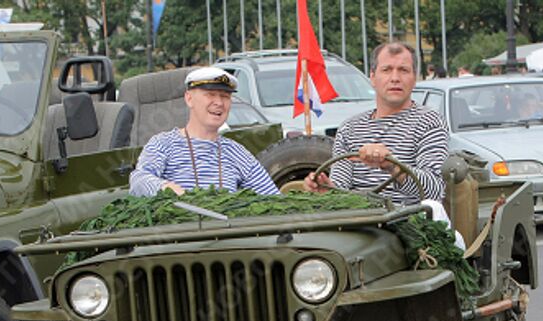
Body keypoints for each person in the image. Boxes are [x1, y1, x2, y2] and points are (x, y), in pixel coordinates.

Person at [303, 42, 448, 205]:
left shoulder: (429, 122)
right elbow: (340, 188)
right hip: (357, 221)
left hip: (410, 222)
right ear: (372, 77)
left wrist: (392, 166)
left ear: (414, 78)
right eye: (386, 70)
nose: (395, 78)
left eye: (403, 70)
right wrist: (326, 190)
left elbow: (435, 190)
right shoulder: (349, 129)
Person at [129, 67, 279, 197]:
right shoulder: (163, 144)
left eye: (225, 96)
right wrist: (165, 188)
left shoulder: (237, 153)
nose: (219, 103)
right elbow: (139, 179)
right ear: (189, 99)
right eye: (210, 94)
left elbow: (272, 198)